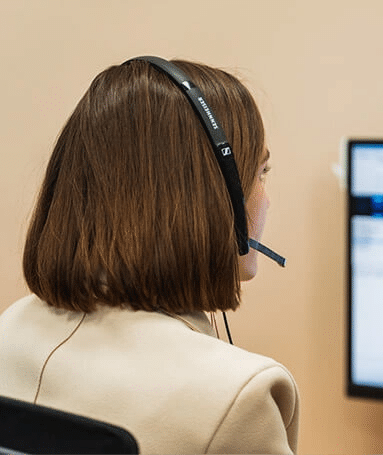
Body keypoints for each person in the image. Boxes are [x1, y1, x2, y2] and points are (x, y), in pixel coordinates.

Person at [0, 58, 299, 454]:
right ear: (213, 196)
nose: (267, 199)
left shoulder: (12, 328)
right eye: (261, 173)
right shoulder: (239, 395)